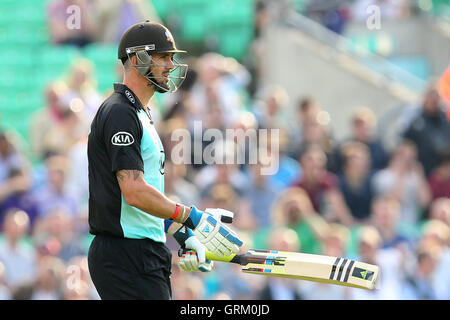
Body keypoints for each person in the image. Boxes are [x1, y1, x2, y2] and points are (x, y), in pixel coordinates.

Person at [86, 21, 243, 300]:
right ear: (137, 59)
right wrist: (190, 216)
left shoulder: (141, 113)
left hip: (140, 252)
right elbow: (133, 192)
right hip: (126, 254)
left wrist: (179, 232)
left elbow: (143, 199)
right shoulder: (121, 112)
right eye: (163, 57)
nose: (171, 64)